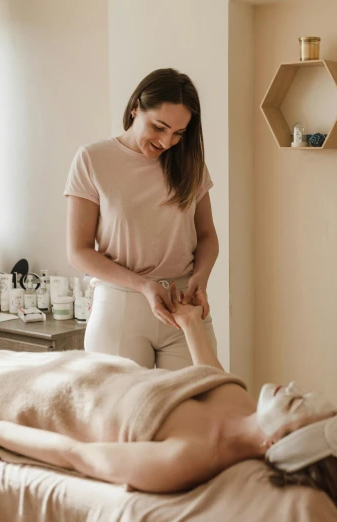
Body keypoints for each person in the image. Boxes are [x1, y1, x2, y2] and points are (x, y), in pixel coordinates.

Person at [0, 285, 337, 506]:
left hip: (50, 398)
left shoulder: (187, 459)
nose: (293, 389)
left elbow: (78, 456)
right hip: (85, 368)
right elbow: (207, 373)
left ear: (278, 444)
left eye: (297, 404)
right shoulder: (246, 407)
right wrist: (190, 321)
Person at [64, 68, 218, 371]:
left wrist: (201, 277)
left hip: (183, 307)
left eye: (178, 133)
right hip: (121, 307)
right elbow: (78, 252)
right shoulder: (93, 159)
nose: (167, 141)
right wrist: (145, 286)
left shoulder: (189, 164)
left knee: (201, 406)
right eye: (159, 127)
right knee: (122, 415)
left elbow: (207, 236)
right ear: (136, 107)